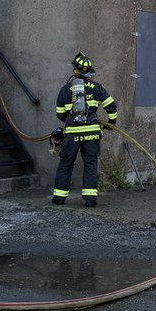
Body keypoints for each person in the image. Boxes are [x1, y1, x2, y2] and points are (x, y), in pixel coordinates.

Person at [52, 52, 117, 207]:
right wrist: (111, 122)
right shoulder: (97, 88)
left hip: (72, 134)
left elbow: (60, 115)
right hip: (92, 134)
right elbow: (111, 106)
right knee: (90, 164)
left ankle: (59, 198)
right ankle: (90, 199)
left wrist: (70, 117)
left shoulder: (66, 90)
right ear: (89, 73)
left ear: (75, 71)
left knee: (66, 163)